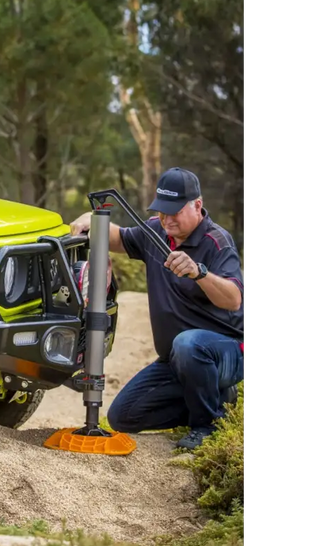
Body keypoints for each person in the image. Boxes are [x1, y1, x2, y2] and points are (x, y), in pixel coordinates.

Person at [70, 167, 246, 450]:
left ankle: (207, 427)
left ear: (197, 205)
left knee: (189, 343)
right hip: (176, 359)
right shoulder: (156, 232)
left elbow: (234, 298)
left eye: (174, 211)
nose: (167, 218)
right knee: (122, 416)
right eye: (162, 210)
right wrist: (92, 221)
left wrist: (199, 273)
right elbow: (119, 237)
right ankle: (217, 401)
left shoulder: (217, 242)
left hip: (228, 353)